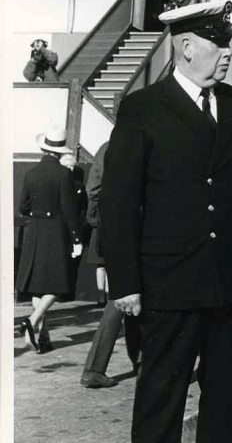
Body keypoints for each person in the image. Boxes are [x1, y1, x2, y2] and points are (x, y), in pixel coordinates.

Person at [100, 1, 232, 443]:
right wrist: (125, 282)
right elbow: (120, 201)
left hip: (230, 281)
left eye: (229, 42)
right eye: (218, 42)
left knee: (223, 402)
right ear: (188, 46)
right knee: (162, 398)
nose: (228, 52)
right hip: (169, 283)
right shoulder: (144, 108)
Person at [16, 126, 83, 354]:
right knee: (58, 282)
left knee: (38, 285)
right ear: (59, 151)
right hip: (56, 231)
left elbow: (22, 207)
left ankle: (42, 337)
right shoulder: (64, 175)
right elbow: (69, 210)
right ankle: (32, 321)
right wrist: (76, 238)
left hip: (34, 231)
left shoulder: (31, 173)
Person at [81, 141, 141, 389]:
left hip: (108, 228)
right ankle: (96, 368)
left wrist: (99, 221)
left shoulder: (106, 147)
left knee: (126, 293)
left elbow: (92, 189)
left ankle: (134, 361)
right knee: (125, 295)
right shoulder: (135, 147)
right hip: (134, 228)